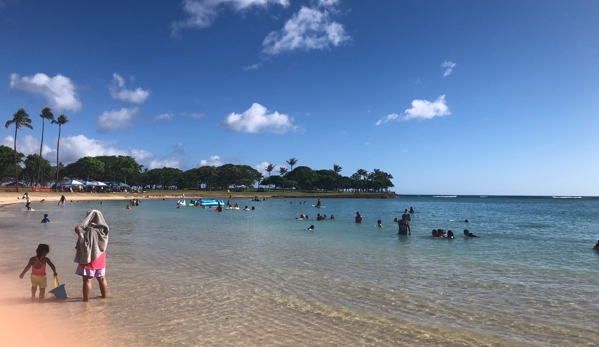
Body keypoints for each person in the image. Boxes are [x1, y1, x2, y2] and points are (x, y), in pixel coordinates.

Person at [74, 210, 109, 301]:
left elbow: (85, 246)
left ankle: (86, 302)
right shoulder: (104, 231)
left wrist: (79, 234)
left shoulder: (91, 231)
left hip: (91, 257)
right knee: (101, 278)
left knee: (87, 280)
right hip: (101, 257)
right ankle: (104, 299)